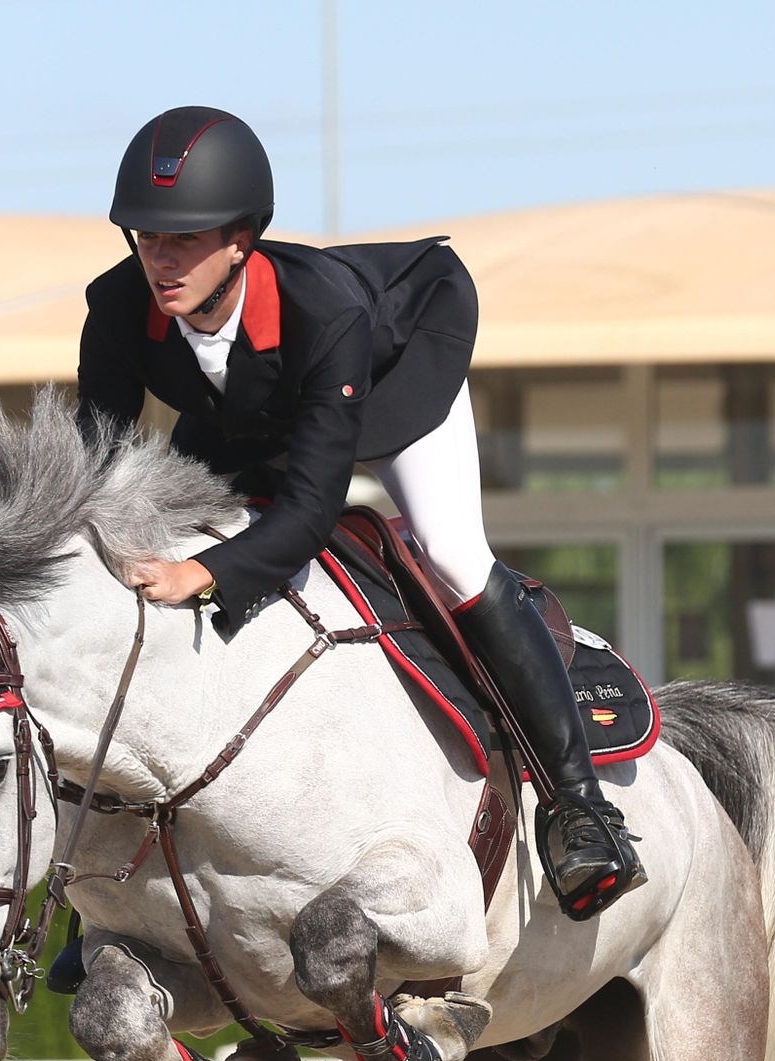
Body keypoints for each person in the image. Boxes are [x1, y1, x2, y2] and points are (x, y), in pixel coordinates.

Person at [74, 106, 644, 919]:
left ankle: (581, 806)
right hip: (257, 407)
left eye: (185, 240)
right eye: (146, 237)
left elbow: (310, 512)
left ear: (242, 239)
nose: (160, 261)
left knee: (449, 553)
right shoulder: (118, 309)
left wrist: (200, 574)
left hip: (389, 377)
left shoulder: (327, 311)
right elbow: (93, 474)